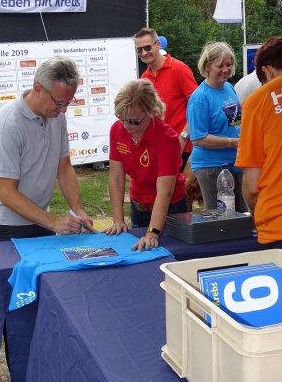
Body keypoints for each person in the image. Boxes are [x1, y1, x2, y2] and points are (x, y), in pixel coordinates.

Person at [0, 55, 95, 271]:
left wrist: (78, 210)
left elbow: (64, 167)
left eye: (69, 102)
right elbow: (7, 193)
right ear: (38, 89)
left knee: (44, 281)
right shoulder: (7, 126)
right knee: (11, 289)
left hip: (38, 216)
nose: (64, 109)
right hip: (3, 222)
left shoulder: (57, 116)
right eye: (59, 102)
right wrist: (53, 222)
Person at [105, 79, 188, 252]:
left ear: (151, 112)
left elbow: (164, 192)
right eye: (122, 119)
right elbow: (116, 178)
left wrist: (153, 232)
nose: (127, 126)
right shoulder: (117, 130)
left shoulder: (167, 139)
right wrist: (118, 220)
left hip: (171, 209)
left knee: (165, 253)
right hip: (139, 204)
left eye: (134, 121)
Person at [186, 41, 248, 212]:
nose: (226, 70)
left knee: (242, 214)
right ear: (207, 66)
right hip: (210, 166)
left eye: (229, 64)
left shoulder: (228, 87)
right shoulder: (199, 98)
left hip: (235, 161)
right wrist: (232, 142)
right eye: (220, 65)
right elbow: (198, 138)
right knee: (220, 217)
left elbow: (235, 122)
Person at [235, 36, 282, 247]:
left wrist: (257, 215)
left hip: (276, 222)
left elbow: (251, 186)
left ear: (267, 71)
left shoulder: (257, 102)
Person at [134, 27, 198, 171]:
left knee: (183, 192)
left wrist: (183, 137)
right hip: (158, 148)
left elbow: (197, 108)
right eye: (139, 50)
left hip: (182, 148)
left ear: (158, 45)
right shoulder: (144, 79)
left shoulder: (180, 69)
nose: (144, 53)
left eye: (147, 47)